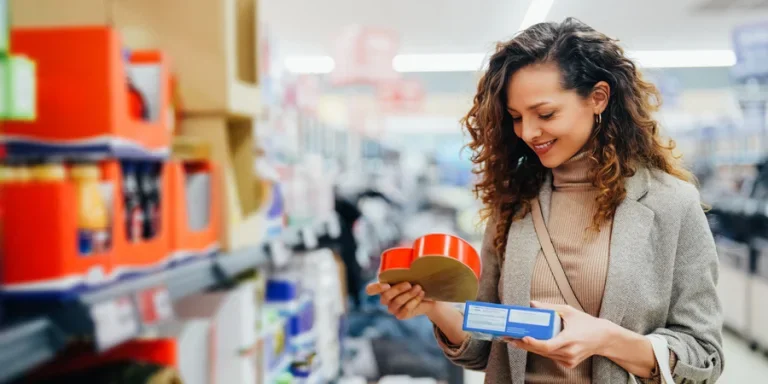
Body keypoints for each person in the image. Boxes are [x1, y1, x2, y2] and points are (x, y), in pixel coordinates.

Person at [366, 18, 723, 384]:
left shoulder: (670, 203)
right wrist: (435, 309)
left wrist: (608, 340)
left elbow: (704, 357)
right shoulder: (515, 200)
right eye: (516, 117)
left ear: (598, 97)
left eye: (545, 114)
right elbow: (486, 348)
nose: (528, 132)